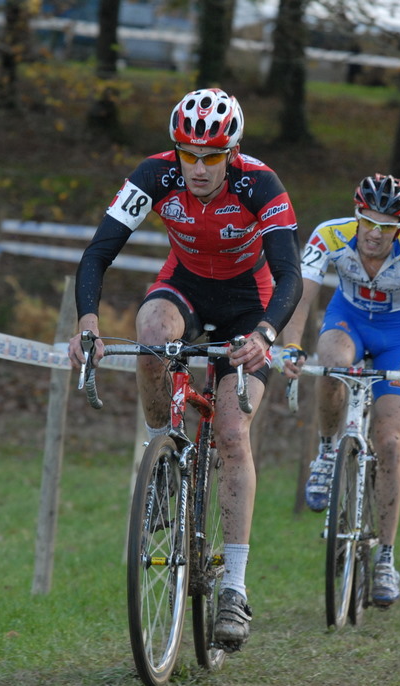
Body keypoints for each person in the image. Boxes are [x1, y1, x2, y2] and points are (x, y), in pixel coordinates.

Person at [67, 88, 302, 651]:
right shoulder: (154, 175)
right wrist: (87, 322)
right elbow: (99, 252)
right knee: (150, 331)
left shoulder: (260, 185)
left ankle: (234, 590)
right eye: (188, 154)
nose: (198, 168)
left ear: (233, 152)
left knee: (231, 433)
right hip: (187, 288)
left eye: (212, 157)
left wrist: (265, 335)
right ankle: (161, 456)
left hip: (251, 304)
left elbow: (289, 274)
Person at [280, 174, 400, 607]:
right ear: (356, 214)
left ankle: (386, 558)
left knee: (390, 443)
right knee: (333, 362)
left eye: (386, 225)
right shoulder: (330, 235)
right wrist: (291, 346)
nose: (374, 233)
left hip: (398, 338)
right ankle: (325, 452)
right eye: (367, 221)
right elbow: (301, 297)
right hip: (348, 321)